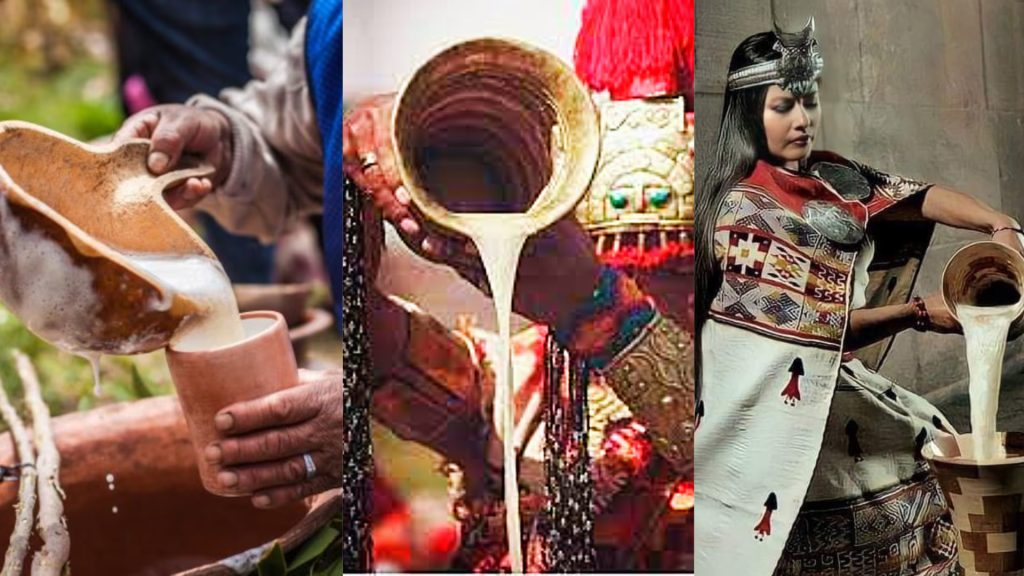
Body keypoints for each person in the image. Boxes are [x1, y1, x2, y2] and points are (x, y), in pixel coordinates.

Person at [112, 0, 694, 570]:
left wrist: (592, 306)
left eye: (675, 272)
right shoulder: (331, 24)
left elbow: (749, 451)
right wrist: (230, 142)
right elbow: (486, 406)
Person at [694, 19, 1024, 576]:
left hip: (836, 370)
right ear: (750, 112)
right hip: (774, 393)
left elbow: (916, 196)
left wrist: (1000, 223)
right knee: (909, 458)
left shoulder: (831, 177)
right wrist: (919, 314)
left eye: (809, 100)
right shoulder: (743, 211)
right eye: (782, 107)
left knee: (933, 434)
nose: (802, 119)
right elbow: (814, 332)